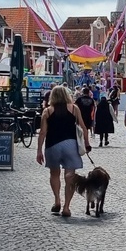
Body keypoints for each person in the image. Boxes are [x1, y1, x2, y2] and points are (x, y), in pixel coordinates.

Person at [36, 85, 90, 218]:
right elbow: (84, 128)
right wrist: (87, 144)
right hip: (70, 145)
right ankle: (66, 207)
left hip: (52, 145)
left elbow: (43, 132)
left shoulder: (47, 111)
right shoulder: (74, 108)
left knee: (54, 174)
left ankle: (57, 200)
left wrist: (39, 150)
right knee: (70, 176)